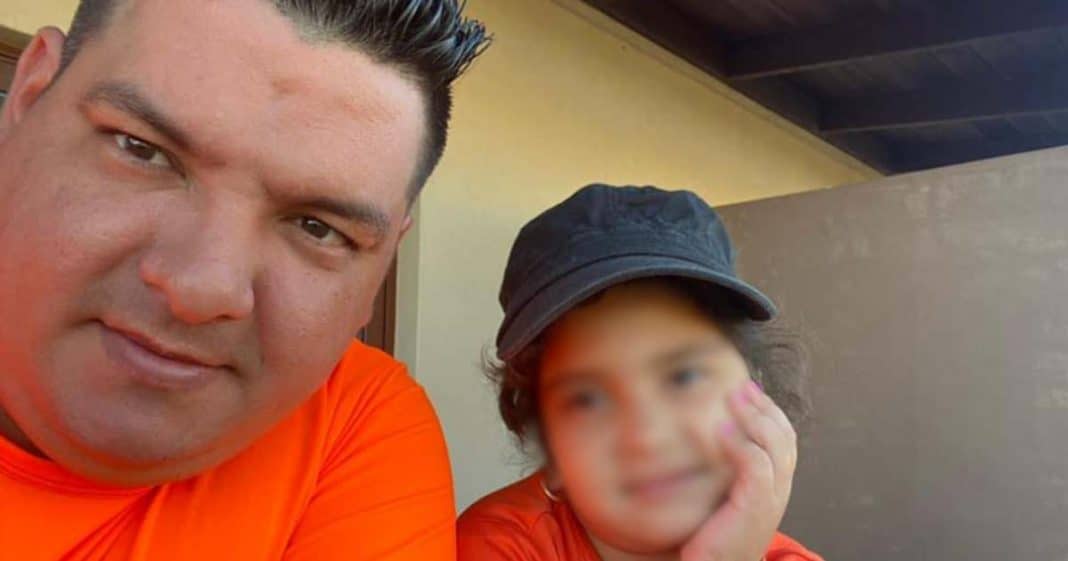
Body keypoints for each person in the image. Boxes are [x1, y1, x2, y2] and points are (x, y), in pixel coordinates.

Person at [0, 1, 487, 559]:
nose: (202, 290)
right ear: (29, 95)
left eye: (317, 228)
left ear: (382, 268)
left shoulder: (353, 421)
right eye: (142, 150)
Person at [458, 184, 823, 561]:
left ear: (756, 390)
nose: (647, 436)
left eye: (684, 377)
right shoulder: (501, 545)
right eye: (586, 399)